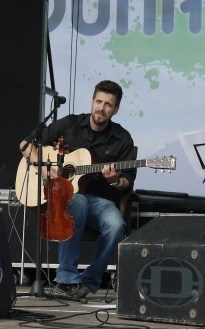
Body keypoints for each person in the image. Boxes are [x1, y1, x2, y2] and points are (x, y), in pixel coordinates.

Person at [19, 80, 136, 299]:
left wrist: (114, 181)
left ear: (116, 110)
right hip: (66, 196)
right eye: (99, 101)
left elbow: (127, 181)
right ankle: (67, 280)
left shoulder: (122, 139)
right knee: (78, 201)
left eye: (108, 105)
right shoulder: (69, 124)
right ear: (92, 101)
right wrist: (43, 167)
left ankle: (89, 281)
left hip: (100, 199)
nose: (101, 108)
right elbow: (25, 146)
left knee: (116, 225)